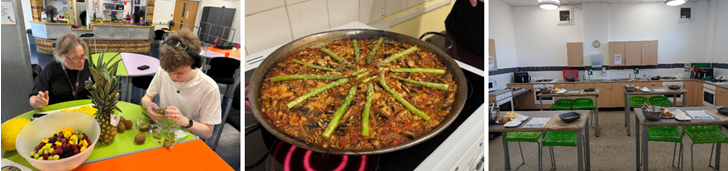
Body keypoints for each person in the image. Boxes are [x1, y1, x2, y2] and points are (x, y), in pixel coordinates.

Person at [141, 29, 221, 139]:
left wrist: (184, 121)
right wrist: (148, 105)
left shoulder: (209, 88)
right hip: (162, 132)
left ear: (194, 64)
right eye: (170, 72)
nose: (173, 77)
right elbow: (146, 98)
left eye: (180, 73)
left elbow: (207, 133)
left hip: (188, 139)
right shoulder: (162, 71)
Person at [29, 33, 93, 109]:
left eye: (83, 55)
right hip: (59, 113)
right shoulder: (51, 69)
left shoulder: (89, 65)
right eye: (75, 58)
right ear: (61, 55)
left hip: (85, 110)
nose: (82, 61)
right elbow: (33, 97)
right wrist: (37, 102)